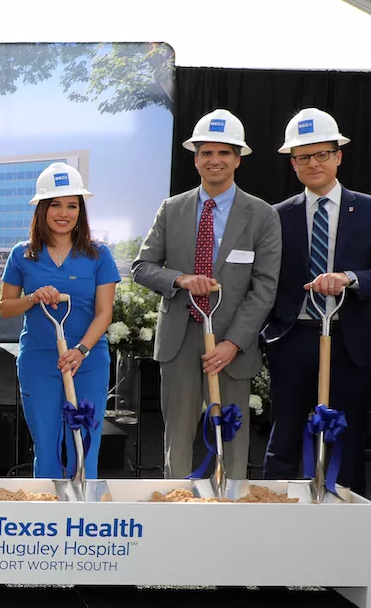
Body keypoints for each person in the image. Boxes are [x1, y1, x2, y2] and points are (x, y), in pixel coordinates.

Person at [261, 107, 371, 496]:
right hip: (293, 339)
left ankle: (346, 540)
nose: (313, 163)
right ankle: (270, 534)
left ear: (339, 155)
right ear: (292, 164)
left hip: (350, 342)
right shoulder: (277, 216)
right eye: (303, 156)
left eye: (322, 153)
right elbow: (265, 281)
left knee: (346, 437)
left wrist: (350, 279)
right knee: (285, 435)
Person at [133, 109, 282, 480]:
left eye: (224, 153)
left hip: (233, 343)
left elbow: (265, 287)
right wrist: (180, 279)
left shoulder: (262, 215)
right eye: (206, 152)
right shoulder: (172, 209)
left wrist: (233, 343)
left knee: (232, 434)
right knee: (178, 434)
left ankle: (230, 515)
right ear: (195, 158)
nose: (214, 160)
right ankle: (177, 510)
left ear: (238, 158)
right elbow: (142, 267)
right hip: (179, 338)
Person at [0, 163, 119, 478]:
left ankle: (83, 518)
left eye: (72, 205)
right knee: (47, 447)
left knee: (84, 446)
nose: (64, 213)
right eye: (55, 204)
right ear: (41, 208)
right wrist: (33, 297)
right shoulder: (21, 255)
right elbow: (6, 308)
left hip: (88, 362)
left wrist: (80, 350)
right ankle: (47, 520)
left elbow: (104, 312)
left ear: (80, 210)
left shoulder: (98, 255)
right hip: (40, 362)